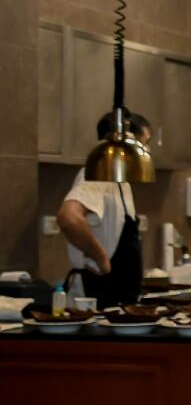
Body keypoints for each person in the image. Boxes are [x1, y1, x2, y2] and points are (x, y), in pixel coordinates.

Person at [57, 110, 153, 307]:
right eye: (144, 144)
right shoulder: (97, 175)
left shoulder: (120, 182)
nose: (147, 152)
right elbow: (69, 218)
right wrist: (101, 257)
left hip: (118, 302)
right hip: (95, 300)